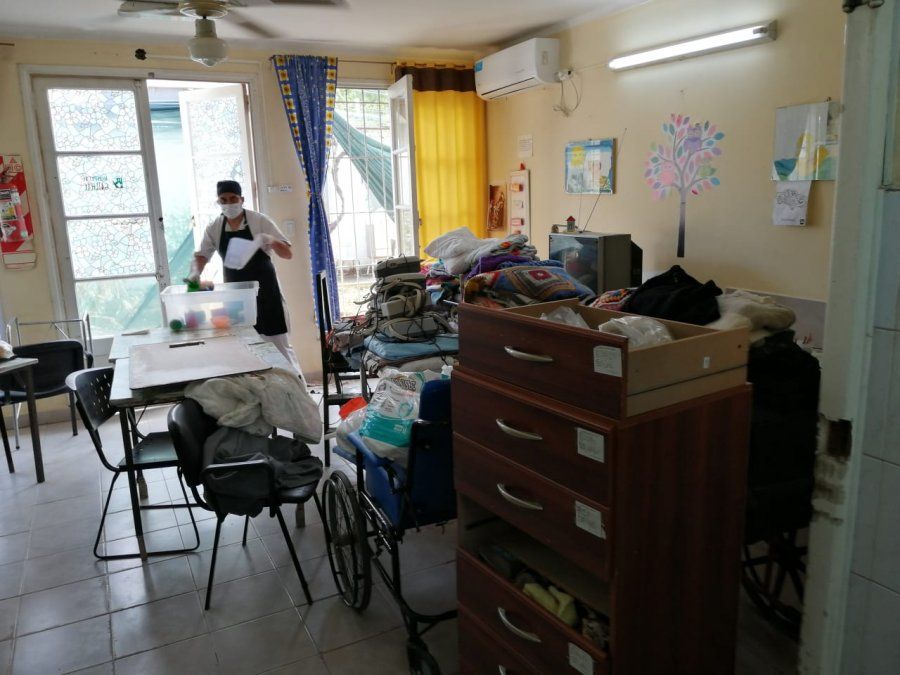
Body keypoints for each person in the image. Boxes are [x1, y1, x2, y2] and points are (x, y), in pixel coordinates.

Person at [190, 180, 300, 372]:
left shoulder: (259, 221)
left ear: (242, 199)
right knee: (244, 350)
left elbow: (287, 253)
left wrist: (270, 239)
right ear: (218, 202)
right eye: (224, 200)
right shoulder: (215, 227)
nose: (229, 204)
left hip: (266, 294)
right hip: (237, 297)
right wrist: (194, 274)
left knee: (279, 346)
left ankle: (299, 392)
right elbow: (202, 255)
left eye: (233, 199)